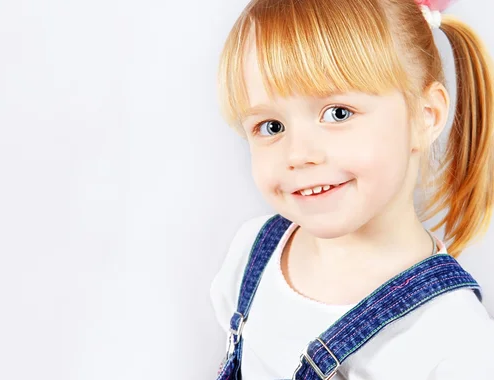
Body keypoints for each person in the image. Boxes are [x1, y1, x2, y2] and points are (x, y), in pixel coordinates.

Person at [209, 0, 494, 378]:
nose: (298, 154)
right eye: (271, 126)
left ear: (426, 117)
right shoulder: (252, 254)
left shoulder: (454, 339)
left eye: (338, 113)